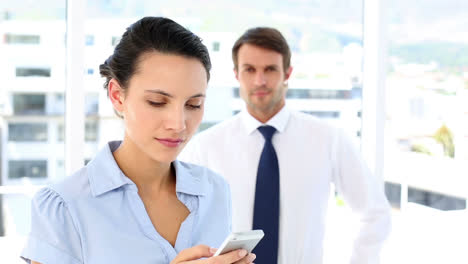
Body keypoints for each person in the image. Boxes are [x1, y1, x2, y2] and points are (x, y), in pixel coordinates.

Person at [20, 17, 256, 264]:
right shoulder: (65, 206)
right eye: (157, 102)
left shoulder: (215, 191)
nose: (178, 123)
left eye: (193, 104)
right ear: (117, 96)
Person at [179, 27, 392, 264]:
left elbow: (374, 213)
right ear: (237, 74)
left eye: (270, 69)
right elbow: (180, 225)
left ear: (287, 73)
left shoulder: (328, 139)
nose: (259, 80)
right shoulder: (205, 147)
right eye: (249, 69)